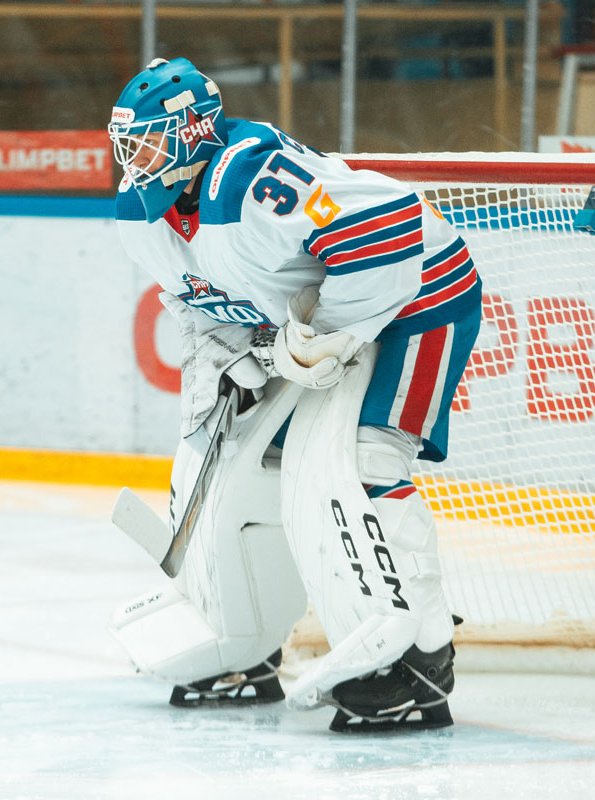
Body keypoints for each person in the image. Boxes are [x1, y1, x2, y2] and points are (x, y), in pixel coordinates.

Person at [105, 57, 481, 732]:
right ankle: (239, 636)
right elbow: (202, 303)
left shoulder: (250, 179)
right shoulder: (142, 216)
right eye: (127, 145)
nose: (135, 161)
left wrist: (326, 336)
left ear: (194, 132)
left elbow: (392, 228)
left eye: (150, 143)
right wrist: (229, 359)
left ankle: (418, 661)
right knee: (235, 461)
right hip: (318, 317)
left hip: (422, 298)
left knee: (365, 461)